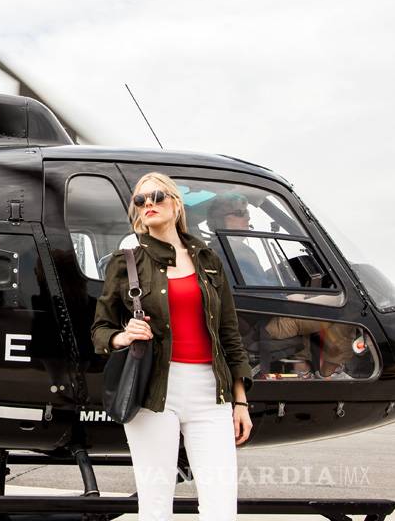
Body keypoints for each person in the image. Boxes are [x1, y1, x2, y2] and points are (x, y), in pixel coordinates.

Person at [92, 172, 253, 520]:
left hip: (211, 392)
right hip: (153, 391)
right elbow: (100, 330)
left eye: (157, 196)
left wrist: (240, 400)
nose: (148, 203)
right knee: (155, 503)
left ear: (176, 204)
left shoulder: (208, 259)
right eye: (140, 200)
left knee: (222, 505)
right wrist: (124, 336)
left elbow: (229, 334)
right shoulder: (127, 261)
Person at [206, 194, 355, 380]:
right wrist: (287, 297)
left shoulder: (221, 249)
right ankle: (330, 372)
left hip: (255, 322)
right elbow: (254, 292)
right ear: (222, 219)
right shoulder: (231, 252)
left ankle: (302, 368)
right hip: (264, 324)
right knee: (346, 305)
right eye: (240, 213)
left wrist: (289, 295)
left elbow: (254, 285)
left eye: (247, 212)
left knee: (310, 302)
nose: (248, 217)